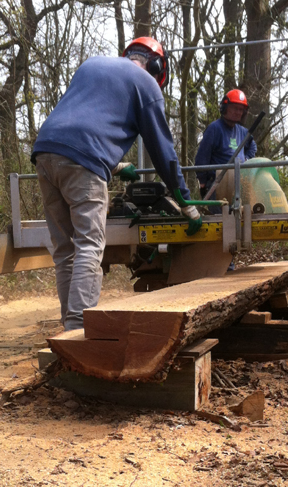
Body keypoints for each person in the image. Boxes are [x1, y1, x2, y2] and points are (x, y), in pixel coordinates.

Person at [31, 36, 202, 331]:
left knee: (64, 250)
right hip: (84, 160)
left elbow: (84, 119)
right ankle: (78, 330)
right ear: (158, 67)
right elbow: (163, 152)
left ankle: (69, 326)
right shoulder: (146, 85)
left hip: (45, 151)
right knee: (89, 245)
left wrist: (116, 164)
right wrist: (184, 199)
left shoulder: (92, 64)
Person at [195, 89, 257, 201]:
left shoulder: (243, 132)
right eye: (234, 108)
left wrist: (247, 158)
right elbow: (202, 157)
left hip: (240, 183)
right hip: (218, 184)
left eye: (240, 109)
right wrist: (203, 182)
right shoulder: (214, 129)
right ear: (225, 108)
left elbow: (252, 146)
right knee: (220, 217)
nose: (238, 112)